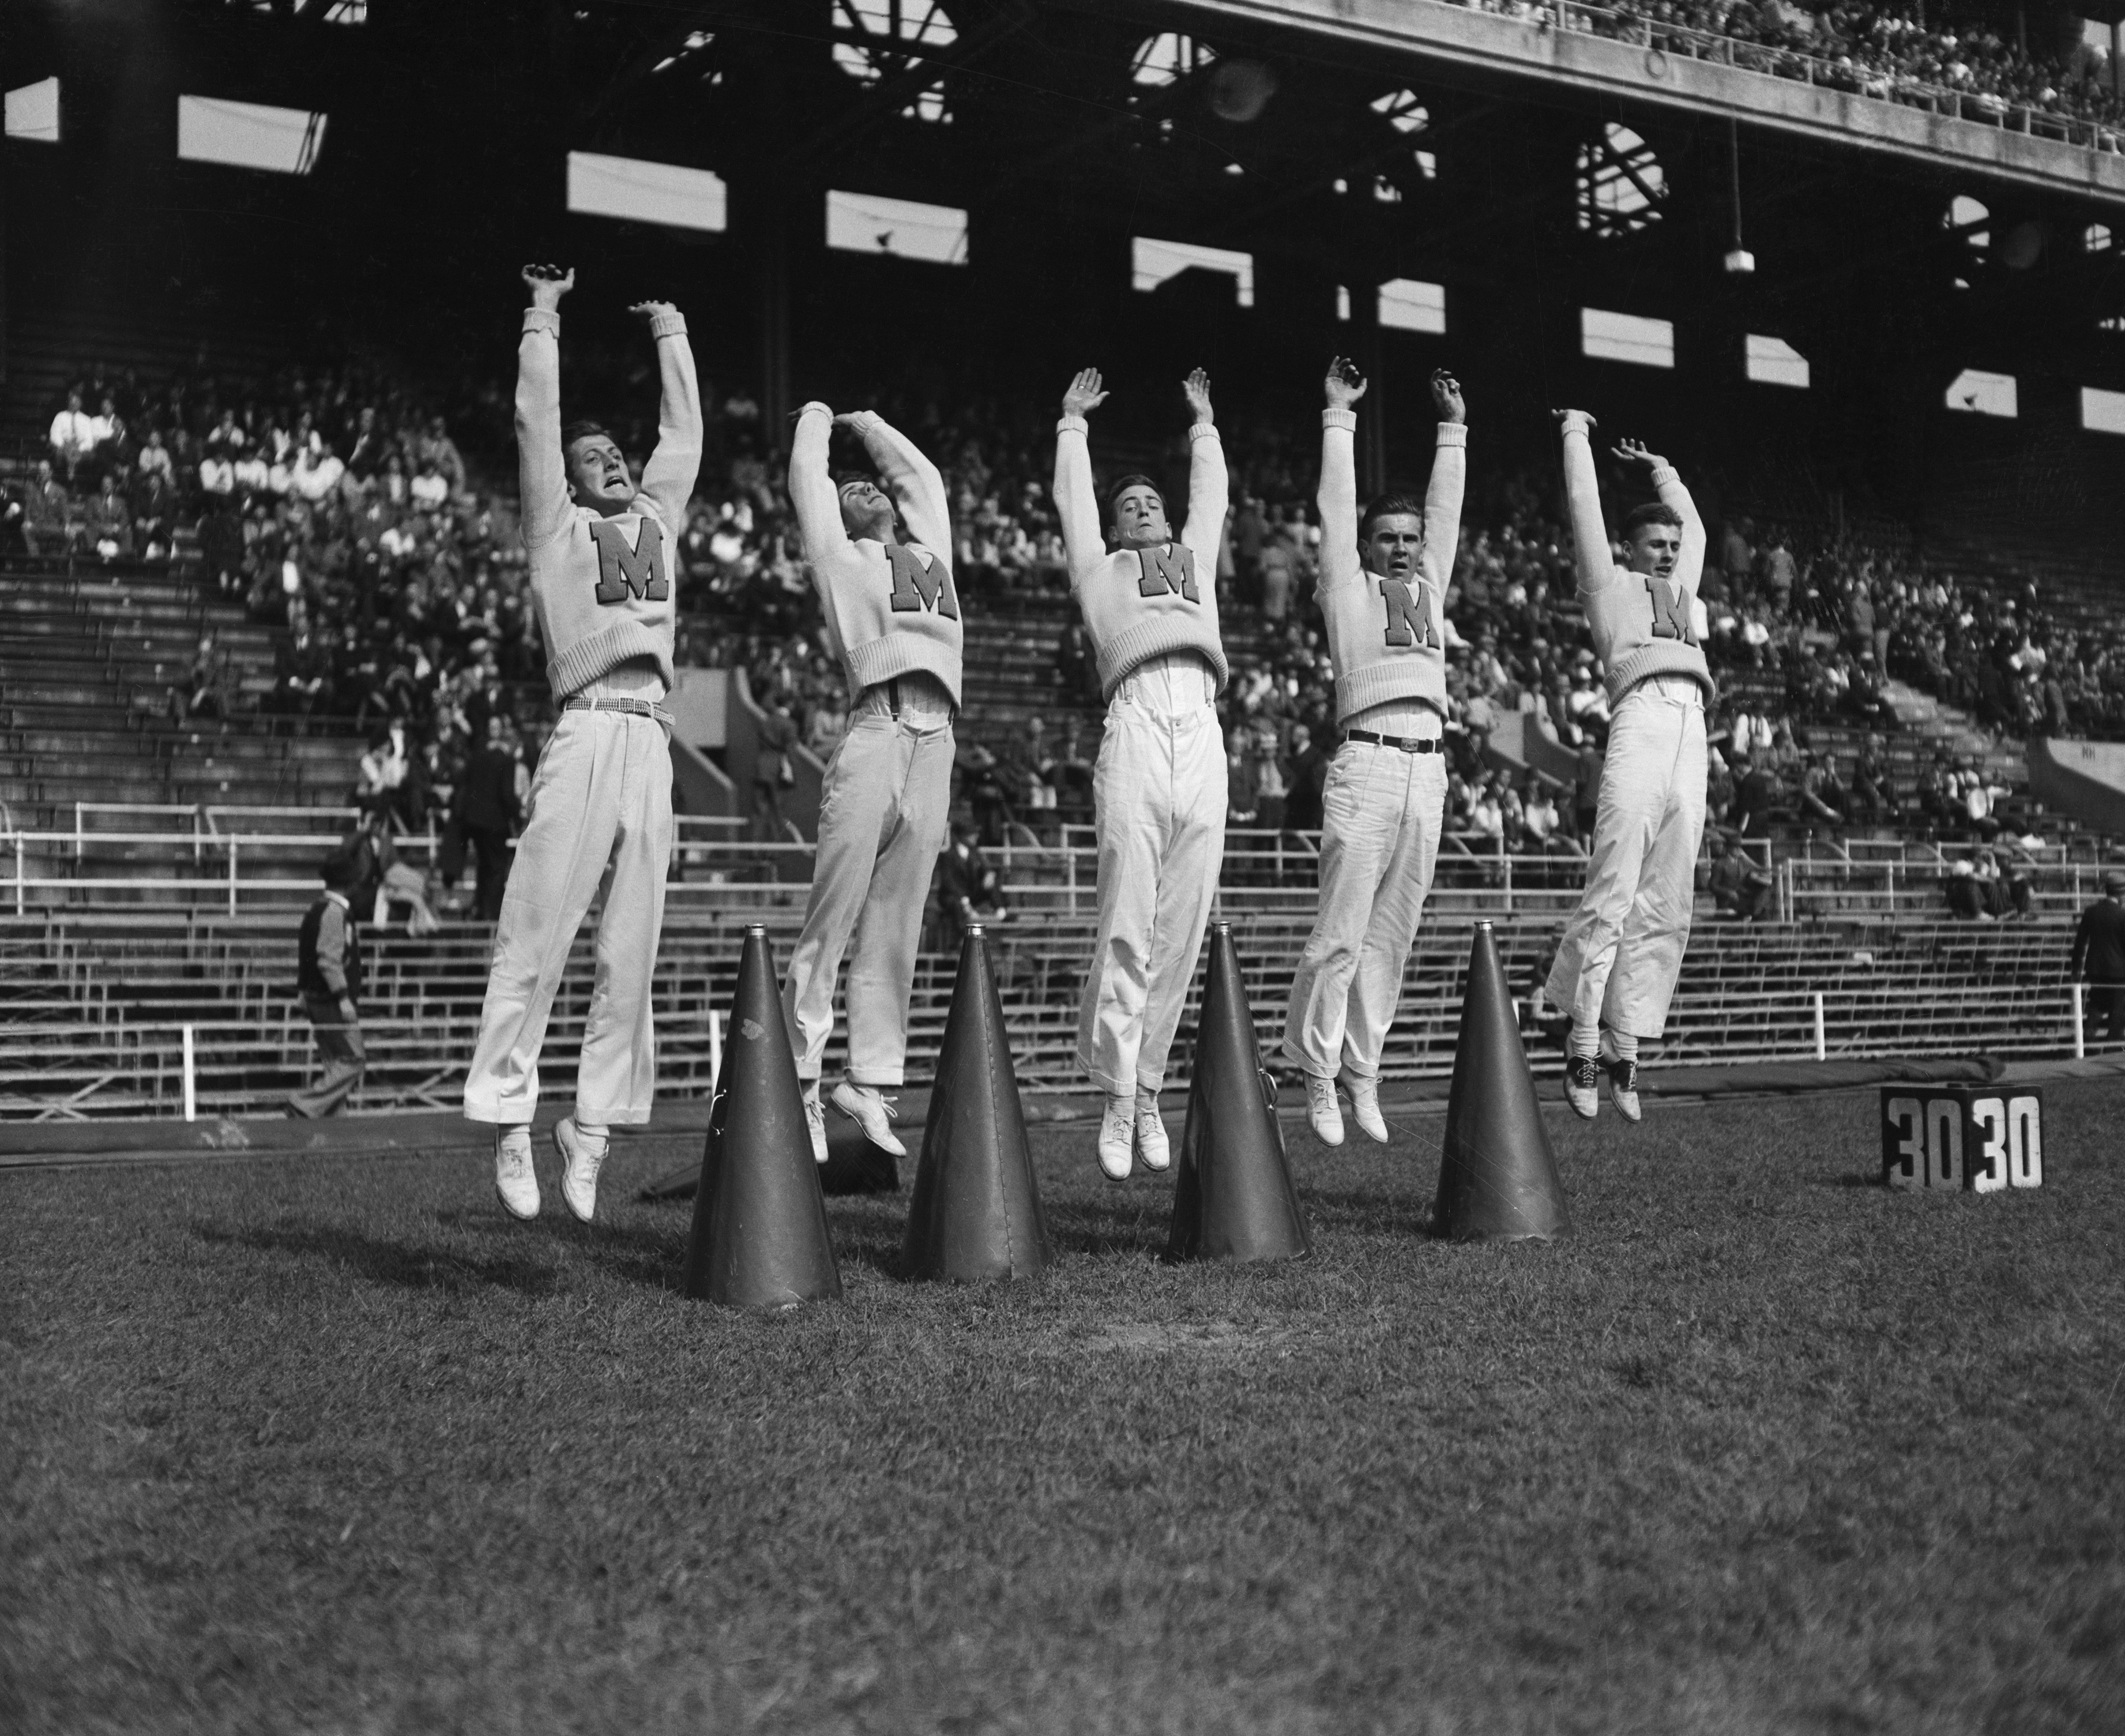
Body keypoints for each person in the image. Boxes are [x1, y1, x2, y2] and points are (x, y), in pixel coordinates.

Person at [464, 264, 701, 1225]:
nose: (606, 457)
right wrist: (543, 315)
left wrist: (671, 332)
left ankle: (592, 1128)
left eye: (614, 450)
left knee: (631, 946)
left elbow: (683, 435)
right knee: (540, 924)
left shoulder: (660, 519)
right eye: (591, 452)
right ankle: (511, 1118)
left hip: (653, 740)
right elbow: (536, 420)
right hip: (587, 724)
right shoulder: (553, 528)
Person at [1281, 358, 1465, 1145]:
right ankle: (1316, 1072)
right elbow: (1334, 503)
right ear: (1364, 546)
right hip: (1366, 758)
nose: (1400, 547)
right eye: (1386, 537)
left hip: (1430, 765)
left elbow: (1446, 513)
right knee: (1342, 929)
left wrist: (1452, 430)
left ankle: (1363, 1071)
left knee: (1392, 934)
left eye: (1408, 538)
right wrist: (1337, 415)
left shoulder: (1429, 588)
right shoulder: (1346, 588)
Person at [1055, 364, 1229, 1179]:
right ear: (1118, 531)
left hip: (1201, 722)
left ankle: (1149, 1086)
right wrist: (1072, 425)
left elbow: (1214, 497)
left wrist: (1201, 420)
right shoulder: (1101, 572)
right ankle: (1116, 1090)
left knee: (1183, 923)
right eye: (1128, 507)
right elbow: (1072, 506)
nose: (1142, 508)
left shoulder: (1196, 560)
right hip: (1131, 722)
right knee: (1126, 915)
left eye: (1150, 501)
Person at [781, 399, 962, 1166]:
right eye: (853, 492)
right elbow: (807, 480)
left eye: (871, 488)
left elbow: (923, 479)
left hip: (938, 736)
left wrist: (871, 422)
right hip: (876, 725)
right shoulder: (839, 556)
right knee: (835, 910)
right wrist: (820, 417)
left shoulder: (932, 554)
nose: (867, 492)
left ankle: (873, 1083)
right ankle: (799, 1078)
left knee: (898, 921)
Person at [1543, 410, 1715, 1122]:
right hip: (1640, 717)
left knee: (1668, 898)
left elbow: (1698, 530)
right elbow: (1584, 508)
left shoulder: (1688, 591)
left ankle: (1627, 1042)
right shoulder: (1610, 587)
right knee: (1613, 883)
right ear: (1632, 548)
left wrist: (1664, 471)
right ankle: (1582, 1036)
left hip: (1693, 727)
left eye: (1672, 544)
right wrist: (1575, 435)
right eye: (1656, 542)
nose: (1670, 552)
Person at [288, 843, 366, 1119]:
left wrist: (302, 990)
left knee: (335, 1062)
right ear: (350, 883)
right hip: (331, 1000)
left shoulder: (315, 909)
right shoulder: (335, 913)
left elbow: (306, 954)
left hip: (314, 997)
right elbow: (327, 960)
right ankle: (305, 1104)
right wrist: (344, 998)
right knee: (353, 1059)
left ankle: (335, 1120)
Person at [456, 715, 521, 921]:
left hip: (475, 823)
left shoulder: (476, 755)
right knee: (495, 870)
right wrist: (517, 821)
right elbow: (507, 796)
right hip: (495, 824)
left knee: (483, 867)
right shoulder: (506, 759)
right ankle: (490, 916)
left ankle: (480, 909)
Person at [2070, 869, 2125, 1044]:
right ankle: (2111, 1050)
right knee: (2118, 1012)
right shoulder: (2122, 915)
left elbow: (2080, 943)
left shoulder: (2091, 911)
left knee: (2096, 1006)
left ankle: (2086, 1042)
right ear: (2121, 893)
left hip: (2095, 970)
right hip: (2118, 973)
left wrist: (2076, 968)